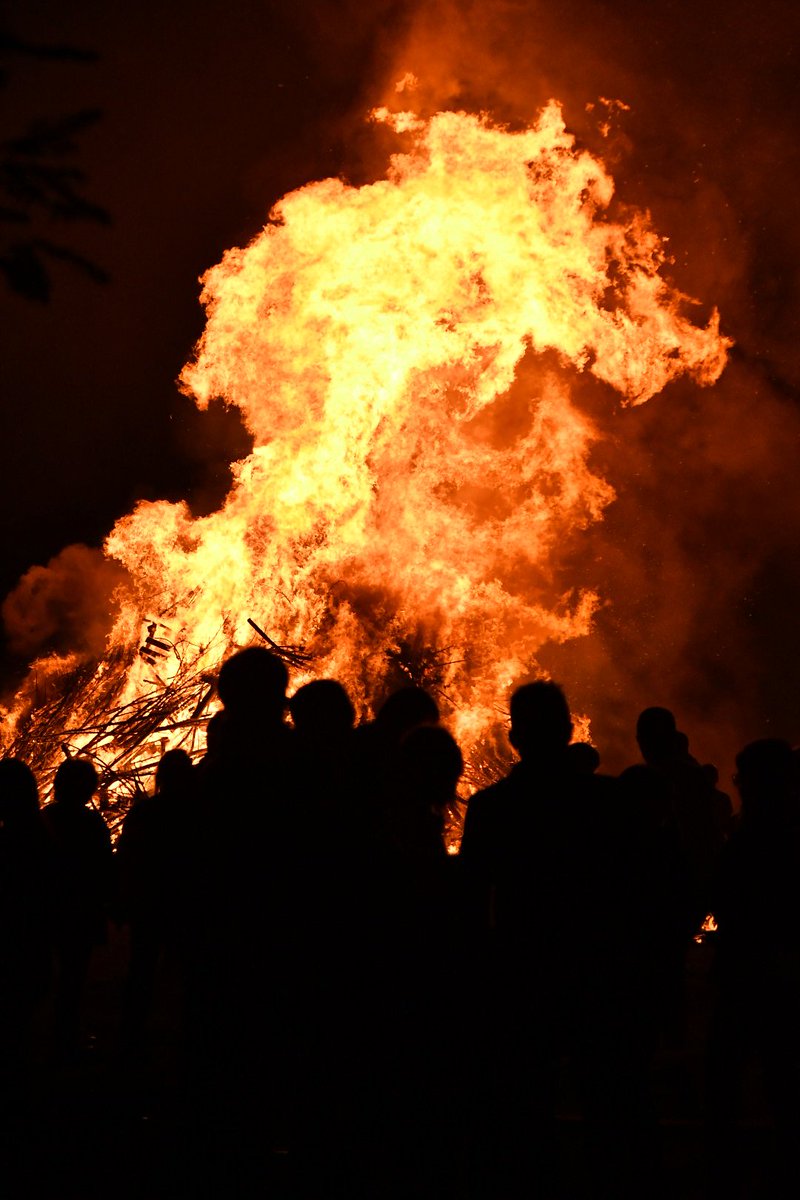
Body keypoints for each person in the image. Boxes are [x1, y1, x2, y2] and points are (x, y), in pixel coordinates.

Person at [43, 757, 113, 1065]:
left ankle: (49, 1037)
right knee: (72, 978)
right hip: (79, 912)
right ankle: (64, 1039)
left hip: (50, 909)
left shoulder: (44, 819)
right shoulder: (91, 824)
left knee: (48, 974)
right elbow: (103, 869)